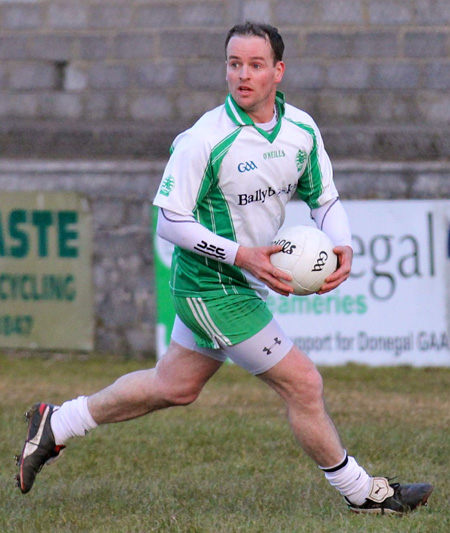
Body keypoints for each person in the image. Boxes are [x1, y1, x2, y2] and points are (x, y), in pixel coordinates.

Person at [16, 22, 432, 515]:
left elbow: (324, 199)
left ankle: (56, 423)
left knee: (175, 386)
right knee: (303, 383)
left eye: (255, 65)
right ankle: (364, 493)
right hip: (208, 284)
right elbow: (170, 222)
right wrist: (243, 256)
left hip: (236, 280)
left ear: (278, 71)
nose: (243, 75)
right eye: (234, 64)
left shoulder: (300, 128)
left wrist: (341, 242)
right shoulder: (205, 139)